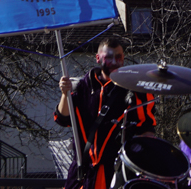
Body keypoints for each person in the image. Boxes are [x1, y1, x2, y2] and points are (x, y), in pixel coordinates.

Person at [55, 37, 157, 189]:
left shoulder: (135, 91)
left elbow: (146, 129)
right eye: (109, 57)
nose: (115, 62)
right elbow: (63, 119)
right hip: (82, 171)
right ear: (98, 58)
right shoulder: (82, 87)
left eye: (118, 57)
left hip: (116, 172)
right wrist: (65, 94)